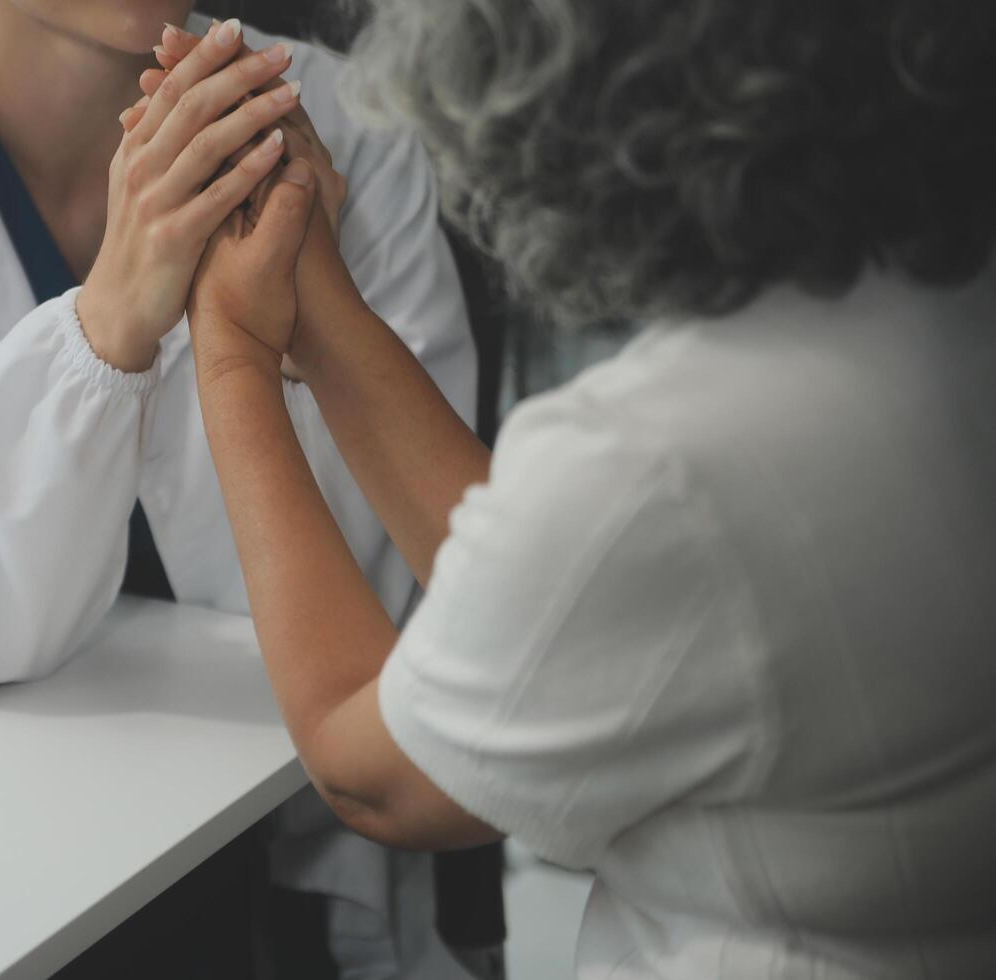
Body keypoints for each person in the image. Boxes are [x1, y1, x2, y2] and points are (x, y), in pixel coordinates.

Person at [172, 0, 996, 976]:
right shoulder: (930, 306)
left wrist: (227, 345)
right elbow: (565, 587)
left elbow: (373, 781)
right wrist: (314, 302)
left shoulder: (663, 461)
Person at [0, 0, 495, 976]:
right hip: (0, 866)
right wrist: (110, 317)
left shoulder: (346, 126)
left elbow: (443, 589)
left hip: (312, 857)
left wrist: (310, 318)